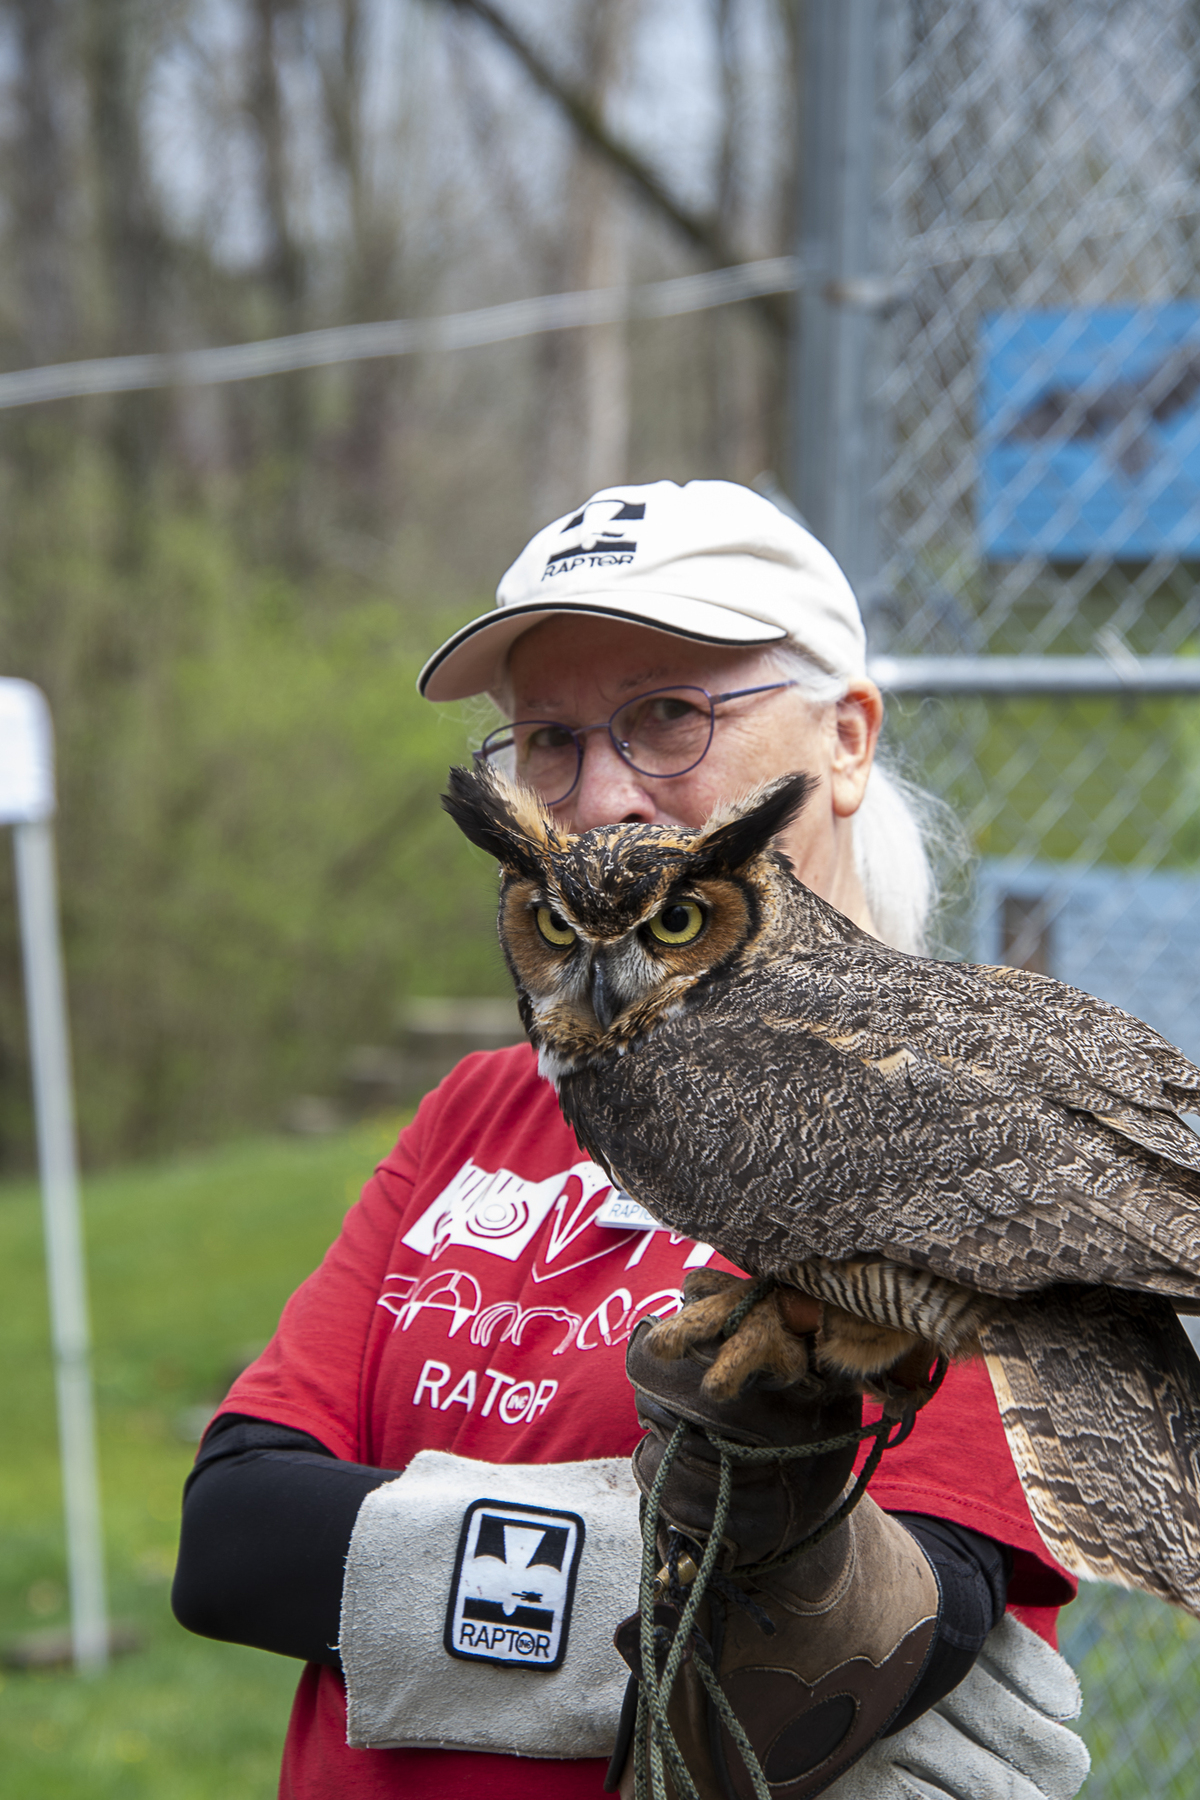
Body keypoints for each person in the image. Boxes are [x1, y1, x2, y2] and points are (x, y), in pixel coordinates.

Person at [173, 480, 1089, 1800]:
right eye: (546, 740)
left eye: (670, 715)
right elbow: (236, 1537)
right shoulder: (482, 1110)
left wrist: (389, 1564)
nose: (598, 798)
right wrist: (659, 1577)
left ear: (846, 739)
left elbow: (858, 1652)